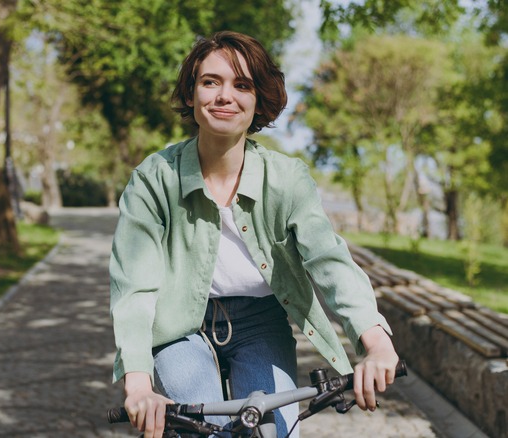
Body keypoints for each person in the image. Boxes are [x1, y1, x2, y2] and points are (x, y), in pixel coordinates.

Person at [109, 31, 399, 438]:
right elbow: (134, 289)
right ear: (191, 95)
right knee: (202, 429)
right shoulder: (153, 179)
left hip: (261, 322)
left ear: (258, 100)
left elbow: (329, 262)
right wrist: (139, 385)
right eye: (210, 82)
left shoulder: (287, 180)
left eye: (242, 85)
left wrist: (376, 344)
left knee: (276, 432)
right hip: (179, 327)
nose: (225, 95)